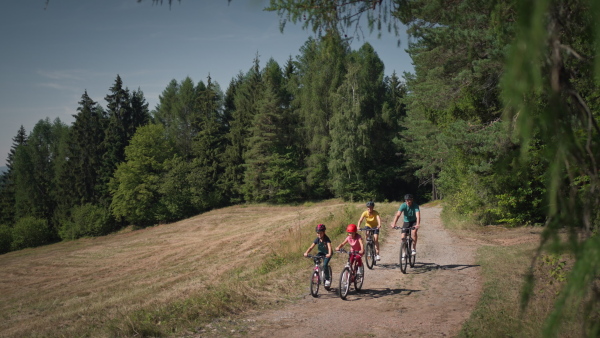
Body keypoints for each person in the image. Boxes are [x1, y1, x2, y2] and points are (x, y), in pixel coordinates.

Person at [390, 194, 421, 258]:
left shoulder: (415, 206)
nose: (408, 202)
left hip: (414, 221)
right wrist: (394, 223)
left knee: (414, 232)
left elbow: (418, 215)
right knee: (403, 236)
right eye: (406, 200)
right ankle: (404, 252)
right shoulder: (403, 205)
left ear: (412, 200)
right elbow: (398, 215)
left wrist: (417, 224)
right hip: (406, 222)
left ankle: (413, 248)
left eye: (409, 200)